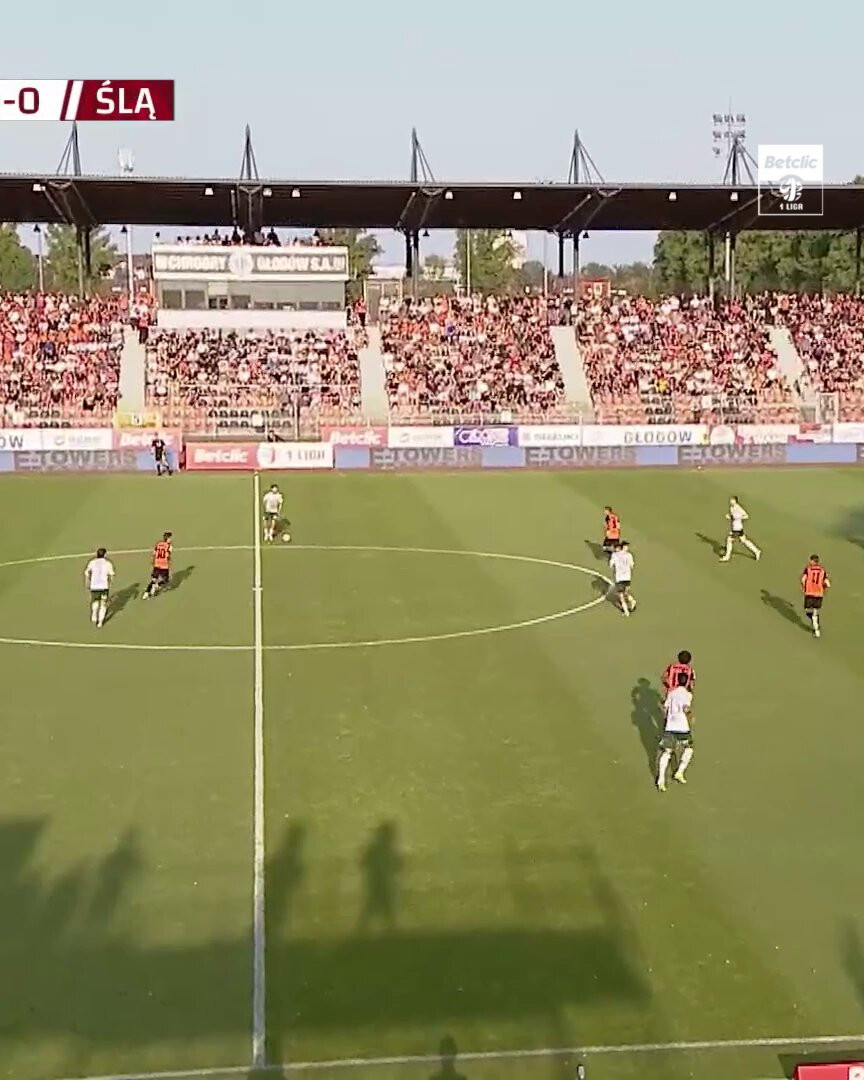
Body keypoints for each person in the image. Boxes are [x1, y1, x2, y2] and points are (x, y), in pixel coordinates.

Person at [657, 671, 694, 791]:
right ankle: (679, 772)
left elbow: (665, 709)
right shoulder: (688, 695)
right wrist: (691, 717)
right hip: (682, 727)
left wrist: (666, 721)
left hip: (670, 726)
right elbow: (686, 708)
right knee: (688, 748)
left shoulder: (671, 693)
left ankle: (661, 779)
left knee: (667, 752)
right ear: (687, 682)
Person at [720, 496, 761, 562]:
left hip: (737, 529)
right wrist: (729, 517)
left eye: (732, 500)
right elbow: (733, 517)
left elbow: (746, 516)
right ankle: (757, 551)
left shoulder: (738, 508)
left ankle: (727, 557)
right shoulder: (731, 508)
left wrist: (738, 518)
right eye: (731, 500)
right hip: (735, 528)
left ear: (735, 501)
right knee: (744, 540)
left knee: (729, 540)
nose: (731, 501)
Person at [84, 547, 115, 628]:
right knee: (103, 604)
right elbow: (111, 575)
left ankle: (94, 614)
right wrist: (110, 584)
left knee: (95, 602)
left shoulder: (92, 562)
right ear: (105, 554)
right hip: (104, 587)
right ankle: (100, 622)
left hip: (94, 586)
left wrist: (87, 583)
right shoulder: (108, 563)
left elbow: (87, 573)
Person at [801, 554, 830, 638]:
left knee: (807, 610)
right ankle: (816, 626)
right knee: (815, 611)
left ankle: (815, 623)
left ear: (813, 561)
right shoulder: (822, 571)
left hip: (810, 592)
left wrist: (804, 587)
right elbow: (828, 584)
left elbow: (803, 580)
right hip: (819, 594)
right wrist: (823, 588)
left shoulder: (808, 569)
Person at [609, 539, 636, 616]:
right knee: (626, 593)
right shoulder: (629, 555)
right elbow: (632, 566)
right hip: (627, 577)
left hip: (619, 578)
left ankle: (626, 612)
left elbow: (611, 565)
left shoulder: (614, 555)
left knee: (621, 595)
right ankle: (632, 601)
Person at [142, 532, 173, 599]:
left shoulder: (158, 544)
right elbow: (168, 556)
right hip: (164, 565)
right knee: (166, 580)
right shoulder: (169, 546)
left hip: (157, 564)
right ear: (168, 538)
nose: (171, 540)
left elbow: (154, 554)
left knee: (153, 579)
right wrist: (169, 563)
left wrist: (153, 562)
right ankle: (157, 585)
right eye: (170, 538)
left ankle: (146, 593)